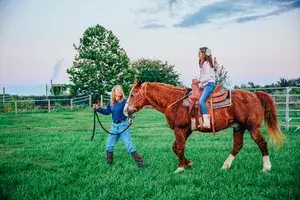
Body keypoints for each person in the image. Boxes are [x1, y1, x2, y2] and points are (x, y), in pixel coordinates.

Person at [93, 85, 145, 167]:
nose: (119, 91)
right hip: (114, 126)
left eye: (120, 90)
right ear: (114, 92)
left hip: (123, 125)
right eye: (117, 90)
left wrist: (130, 118)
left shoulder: (125, 102)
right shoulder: (111, 103)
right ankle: (109, 162)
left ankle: (141, 162)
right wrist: (98, 109)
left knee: (129, 146)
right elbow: (107, 112)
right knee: (109, 145)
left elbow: (129, 111)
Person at [198, 47, 216, 129]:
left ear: (204, 54)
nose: (198, 54)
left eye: (199, 53)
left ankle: (207, 122)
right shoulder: (206, 63)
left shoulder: (206, 64)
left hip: (209, 84)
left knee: (201, 100)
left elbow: (207, 77)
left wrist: (199, 81)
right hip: (207, 84)